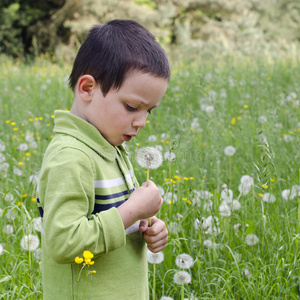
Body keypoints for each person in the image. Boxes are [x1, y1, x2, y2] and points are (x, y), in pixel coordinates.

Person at [37, 19, 170, 299]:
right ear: (87, 89)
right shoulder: (71, 157)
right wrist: (133, 211)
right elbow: (63, 243)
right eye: (132, 107)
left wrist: (148, 225)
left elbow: (115, 217)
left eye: (149, 111)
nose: (142, 121)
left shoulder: (109, 148)